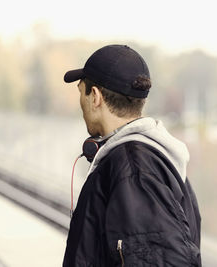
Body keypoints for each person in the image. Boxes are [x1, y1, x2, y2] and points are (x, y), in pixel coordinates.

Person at [62, 44, 202, 266]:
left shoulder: (134, 170)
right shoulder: (148, 161)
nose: (81, 103)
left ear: (95, 96)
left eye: (82, 91)